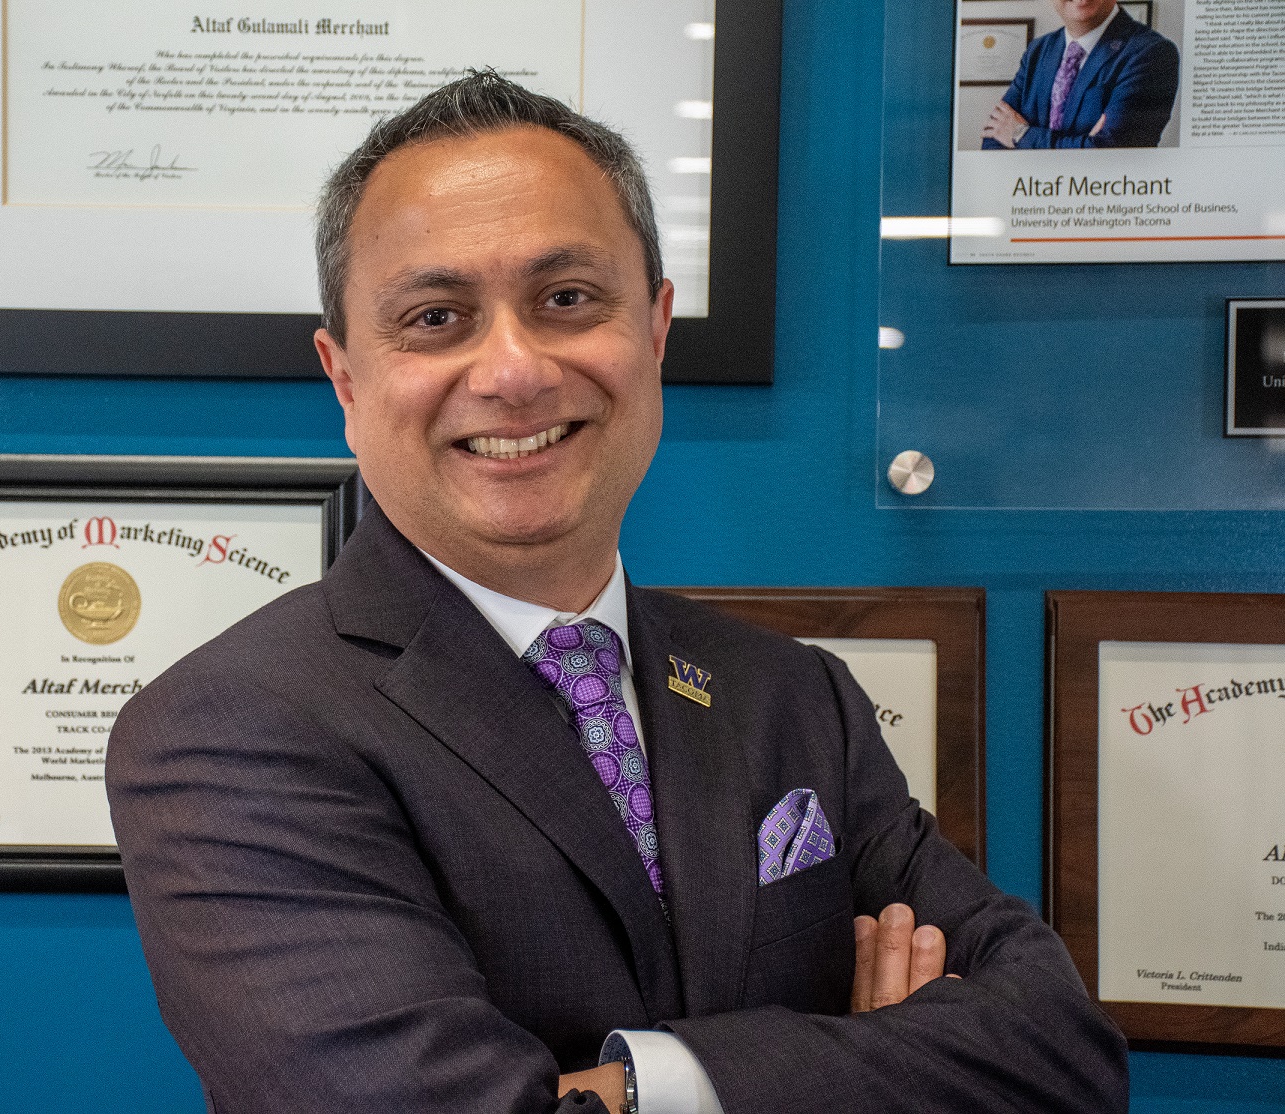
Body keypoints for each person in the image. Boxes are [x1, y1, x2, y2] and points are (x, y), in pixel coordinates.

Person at [108, 72, 1128, 1113]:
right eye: (436, 315)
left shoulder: (795, 697)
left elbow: (1062, 1057)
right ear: (347, 379)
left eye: (566, 299)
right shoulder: (227, 732)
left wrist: (632, 1087)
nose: (511, 370)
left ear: (652, 331)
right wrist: (854, 1058)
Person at [983, 0, 1179, 149]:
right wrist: (1083, 144)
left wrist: (1020, 134)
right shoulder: (1039, 50)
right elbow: (994, 138)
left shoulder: (1152, 53)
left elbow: (1113, 155)